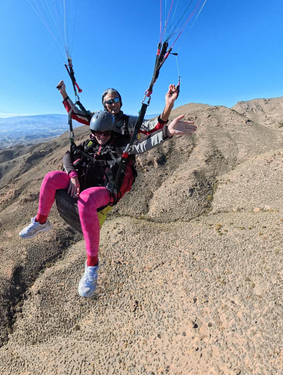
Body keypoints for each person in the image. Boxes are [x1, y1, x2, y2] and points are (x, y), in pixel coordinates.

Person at [19, 110, 196, 297]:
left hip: (106, 191)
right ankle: (41, 221)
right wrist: (72, 175)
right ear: (92, 132)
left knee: (86, 200)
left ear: (112, 132)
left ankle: (92, 265)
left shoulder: (121, 145)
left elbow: (142, 145)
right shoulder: (89, 143)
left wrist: (166, 132)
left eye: (106, 133)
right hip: (82, 182)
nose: (101, 137)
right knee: (51, 177)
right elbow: (67, 156)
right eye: (97, 133)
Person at [58, 80, 180, 138]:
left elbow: (153, 126)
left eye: (116, 100)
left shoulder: (130, 122)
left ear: (120, 103)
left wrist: (169, 105)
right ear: (104, 105)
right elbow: (76, 114)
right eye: (109, 102)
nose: (113, 104)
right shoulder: (97, 118)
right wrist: (64, 94)